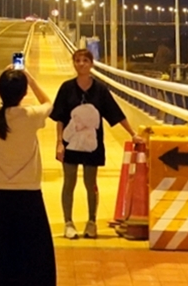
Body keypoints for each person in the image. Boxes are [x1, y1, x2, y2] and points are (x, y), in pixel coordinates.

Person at [0, 66, 56, 286]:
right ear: (23, 93)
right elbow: (49, 103)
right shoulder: (31, 116)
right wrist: (31, 79)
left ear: (2, 90)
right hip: (28, 193)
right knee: (30, 254)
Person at [50, 47, 140, 239]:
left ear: (91, 64)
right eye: (77, 61)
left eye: (85, 61)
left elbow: (115, 113)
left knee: (91, 183)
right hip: (70, 145)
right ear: (74, 63)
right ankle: (68, 223)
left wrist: (132, 133)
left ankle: (91, 222)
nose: (81, 64)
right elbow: (60, 118)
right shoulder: (66, 88)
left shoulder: (100, 90)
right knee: (69, 182)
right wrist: (59, 143)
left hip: (93, 146)